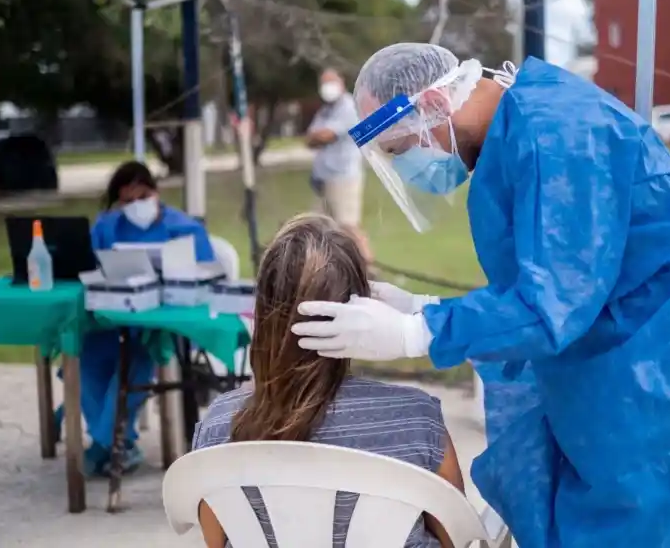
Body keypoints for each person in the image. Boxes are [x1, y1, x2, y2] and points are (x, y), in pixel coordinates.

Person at [289, 42, 670, 547]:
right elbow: (551, 281)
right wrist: (427, 308)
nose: (410, 167)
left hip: (666, 364)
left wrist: (416, 332)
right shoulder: (521, 127)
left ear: (436, 104)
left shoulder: (559, 135)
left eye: (402, 150)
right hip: (619, 347)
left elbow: (551, 305)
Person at [190, 213, 465, 548]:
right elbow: (458, 539)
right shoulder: (417, 420)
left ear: (262, 310)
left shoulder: (219, 428)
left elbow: (216, 542)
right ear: (364, 308)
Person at [67, 161, 217, 476]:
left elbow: (209, 277)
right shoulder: (107, 227)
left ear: (156, 192)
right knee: (83, 358)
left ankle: (106, 443)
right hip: (115, 320)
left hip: (164, 327)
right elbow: (86, 269)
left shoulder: (185, 228)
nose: (137, 205)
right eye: (128, 200)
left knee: (134, 361)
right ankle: (119, 442)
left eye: (143, 196)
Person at [305, 68, 372, 261]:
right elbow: (309, 139)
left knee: (348, 226)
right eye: (324, 83)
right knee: (319, 227)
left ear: (341, 83)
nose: (327, 87)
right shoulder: (326, 111)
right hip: (324, 179)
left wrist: (319, 136)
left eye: (331, 82)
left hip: (343, 178)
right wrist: (318, 137)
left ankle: (369, 268)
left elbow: (327, 135)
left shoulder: (348, 107)